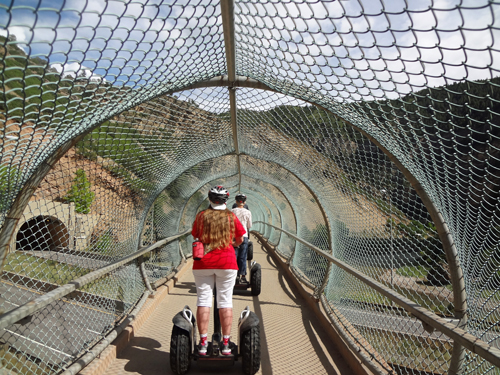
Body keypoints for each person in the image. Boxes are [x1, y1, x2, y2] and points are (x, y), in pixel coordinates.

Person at [191, 186, 245, 356]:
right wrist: (232, 245)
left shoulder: (201, 216)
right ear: (226, 200)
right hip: (227, 262)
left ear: (209, 199)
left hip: (203, 262)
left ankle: (203, 343)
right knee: (225, 300)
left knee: (204, 300)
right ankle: (226, 344)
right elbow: (240, 239)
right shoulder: (231, 216)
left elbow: (195, 235)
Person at [231, 193, 252, 284]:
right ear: (244, 202)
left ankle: (234, 275)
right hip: (244, 236)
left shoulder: (231, 211)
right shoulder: (248, 212)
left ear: (236, 201)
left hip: (233, 236)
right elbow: (249, 225)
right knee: (243, 256)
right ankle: (243, 276)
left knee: (234, 256)